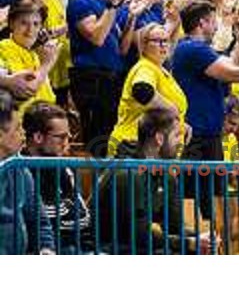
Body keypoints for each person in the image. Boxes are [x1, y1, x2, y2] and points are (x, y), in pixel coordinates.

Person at [171, 0, 239, 213]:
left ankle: (213, 241)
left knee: (214, 200)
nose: (217, 26)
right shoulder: (191, 49)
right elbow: (234, 73)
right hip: (194, 137)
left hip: (210, 136)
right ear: (202, 23)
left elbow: (235, 65)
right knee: (193, 201)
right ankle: (197, 242)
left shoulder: (202, 50)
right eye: (214, 21)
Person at [98, 108, 212, 254]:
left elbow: (175, 226)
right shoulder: (127, 173)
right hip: (108, 248)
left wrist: (201, 239)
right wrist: (188, 242)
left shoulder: (167, 176)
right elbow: (138, 234)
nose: (181, 143)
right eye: (177, 136)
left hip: (137, 247)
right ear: (159, 138)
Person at [67, 0, 140, 157]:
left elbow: (122, 49)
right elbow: (97, 37)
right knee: (97, 141)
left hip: (112, 77)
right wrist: (113, 5)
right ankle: (93, 187)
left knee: (110, 139)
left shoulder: (108, 4)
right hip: (92, 78)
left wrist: (132, 17)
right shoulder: (81, 1)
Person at [110, 23, 188, 156]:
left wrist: (181, 124)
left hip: (158, 148)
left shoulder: (162, 70)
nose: (163, 45)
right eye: (157, 41)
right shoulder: (145, 67)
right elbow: (142, 90)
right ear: (143, 45)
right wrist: (172, 110)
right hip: (134, 145)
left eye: (166, 41)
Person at [22, 101, 91, 253]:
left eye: (69, 137)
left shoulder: (63, 167)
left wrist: (64, 213)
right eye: (61, 137)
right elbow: (43, 222)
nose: (67, 144)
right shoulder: (19, 169)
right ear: (38, 137)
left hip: (77, 246)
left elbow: (83, 218)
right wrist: (66, 211)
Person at [0, 89, 55, 254]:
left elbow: (40, 221)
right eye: (17, 129)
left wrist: (47, 248)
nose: (23, 135)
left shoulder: (20, 168)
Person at [22, 0, 71, 107]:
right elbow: (30, 37)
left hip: (61, 64)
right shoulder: (28, 2)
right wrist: (56, 31)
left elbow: (62, 17)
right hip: (41, 67)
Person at [0, 0, 58, 113]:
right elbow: (28, 89)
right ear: (11, 24)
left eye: (36, 24)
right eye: (24, 23)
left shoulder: (35, 54)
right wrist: (47, 64)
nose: (30, 30)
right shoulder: (4, 48)